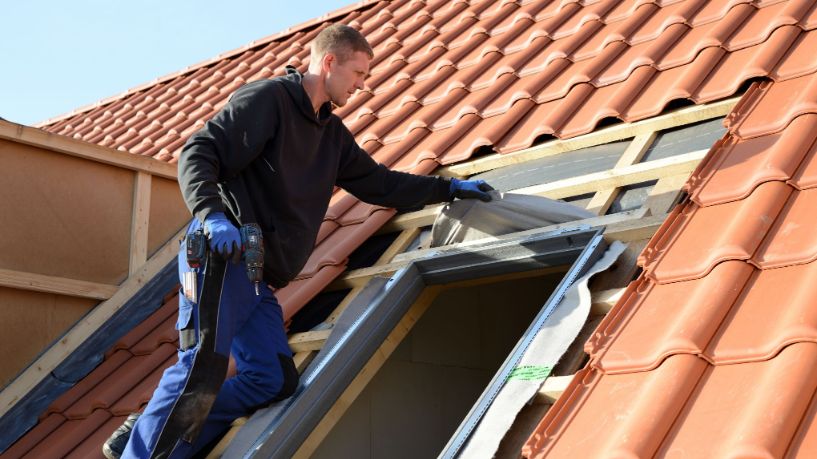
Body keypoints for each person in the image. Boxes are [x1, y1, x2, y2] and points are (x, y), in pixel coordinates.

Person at [102, 23, 493, 459]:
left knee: (271, 378)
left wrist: (450, 189)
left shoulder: (330, 136)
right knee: (201, 366)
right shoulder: (268, 100)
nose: (363, 85)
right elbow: (198, 151)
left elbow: (379, 183)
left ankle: (154, 429)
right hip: (222, 252)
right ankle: (144, 451)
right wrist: (211, 214)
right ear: (329, 62)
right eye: (359, 73)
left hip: (257, 275)